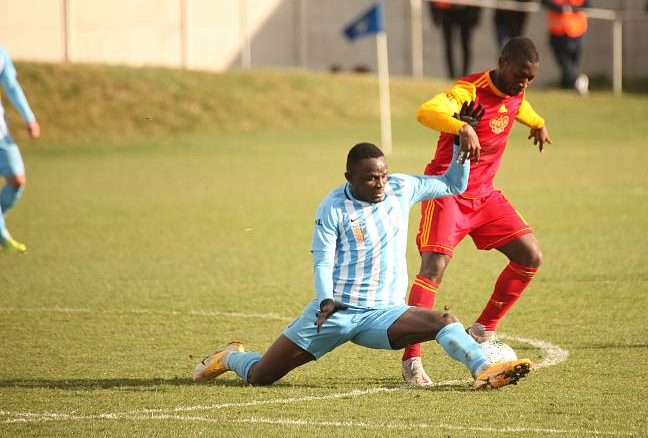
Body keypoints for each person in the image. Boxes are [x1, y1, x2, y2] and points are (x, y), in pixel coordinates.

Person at [192, 140, 532, 389]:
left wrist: (462, 145)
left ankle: (484, 369)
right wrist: (326, 298)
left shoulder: (401, 187)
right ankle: (230, 357)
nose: (381, 184)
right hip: (335, 312)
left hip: (383, 314)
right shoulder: (333, 208)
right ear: (349, 177)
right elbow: (323, 260)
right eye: (371, 178)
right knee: (261, 376)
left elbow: (453, 183)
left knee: (444, 320)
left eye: (383, 175)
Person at [402, 36, 551, 386]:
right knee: (434, 267)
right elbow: (425, 112)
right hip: (447, 190)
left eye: (530, 79)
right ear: (501, 62)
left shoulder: (517, 92)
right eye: (519, 75)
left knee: (530, 256)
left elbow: (519, 108)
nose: (523, 83)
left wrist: (538, 123)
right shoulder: (467, 90)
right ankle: (411, 361)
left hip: (484, 197)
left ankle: (483, 328)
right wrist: (462, 126)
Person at [0, 45, 40, 253]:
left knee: (17, 181)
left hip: (0, 134)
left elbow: (11, 86)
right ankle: (3, 236)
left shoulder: (1, 53)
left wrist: (29, 117)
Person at [541, 0, 591, 95]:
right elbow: (545, 1)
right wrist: (560, 8)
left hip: (577, 30)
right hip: (558, 29)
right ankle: (575, 82)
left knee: (572, 61)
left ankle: (569, 85)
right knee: (564, 60)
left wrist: (572, 8)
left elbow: (587, 5)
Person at [430, 0, 482, 79]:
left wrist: (476, 13)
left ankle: (465, 75)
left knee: (465, 45)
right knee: (448, 45)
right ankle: (451, 76)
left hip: (467, 9)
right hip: (446, 9)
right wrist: (434, 13)